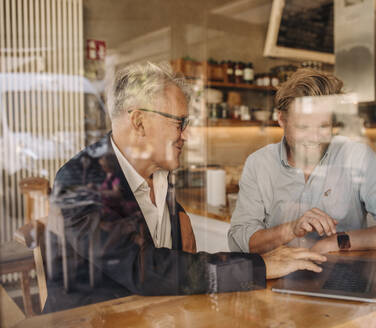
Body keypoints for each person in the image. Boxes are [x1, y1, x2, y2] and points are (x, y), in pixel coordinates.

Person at [43, 62, 326, 313]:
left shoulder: (159, 174)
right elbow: (145, 269)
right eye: (180, 122)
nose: (187, 135)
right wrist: (261, 265)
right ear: (139, 122)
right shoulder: (79, 182)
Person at [228, 68, 376, 254]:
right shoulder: (259, 164)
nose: (314, 138)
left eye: (323, 126)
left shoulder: (357, 157)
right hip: (275, 281)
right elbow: (239, 241)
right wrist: (291, 229)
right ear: (281, 119)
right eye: (303, 127)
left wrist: (337, 241)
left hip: (343, 279)